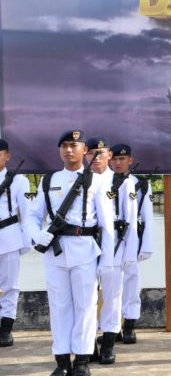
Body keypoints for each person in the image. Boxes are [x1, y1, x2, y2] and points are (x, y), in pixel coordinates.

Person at [23, 130, 115, 376]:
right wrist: (37, 234)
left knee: (86, 306)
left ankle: (82, 361)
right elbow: (32, 217)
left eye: (74, 145)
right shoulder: (48, 181)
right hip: (55, 252)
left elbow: (107, 226)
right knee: (59, 306)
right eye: (64, 145)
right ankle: (62, 361)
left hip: (85, 250)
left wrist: (107, 262)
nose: (68, 150)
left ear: (85, 150)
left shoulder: (97, 182)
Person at [86, 137, 138, 365]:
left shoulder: (123, 182)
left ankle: (108, 344)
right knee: (86, 298)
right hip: (85, 245)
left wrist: (130, 253)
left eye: (101, 153)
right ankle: (88, 345)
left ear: (109, 155)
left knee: (113, 296)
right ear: (86, 155)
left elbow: (131, 220)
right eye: (92, 153)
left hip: (115, 245)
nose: (96, 158)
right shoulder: (82, 180)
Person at [109, 143, 154, 344]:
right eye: (114, 159)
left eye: (122, 159)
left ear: (130, 160)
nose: (117, 163)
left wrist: (146, 246)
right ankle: (112, 327)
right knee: (110, 284)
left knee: (132, 281)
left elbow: (147, 217)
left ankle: (129, 325)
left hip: (131, 238)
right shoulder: (103, 182)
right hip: (110, 238)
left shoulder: (141, 184)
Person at [0, 139, 31, 348]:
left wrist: (26, 241)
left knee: (9, 285)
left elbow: (26, 213)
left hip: (8, 236)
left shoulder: (18, 181)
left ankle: (5, 328)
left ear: (7, 156)